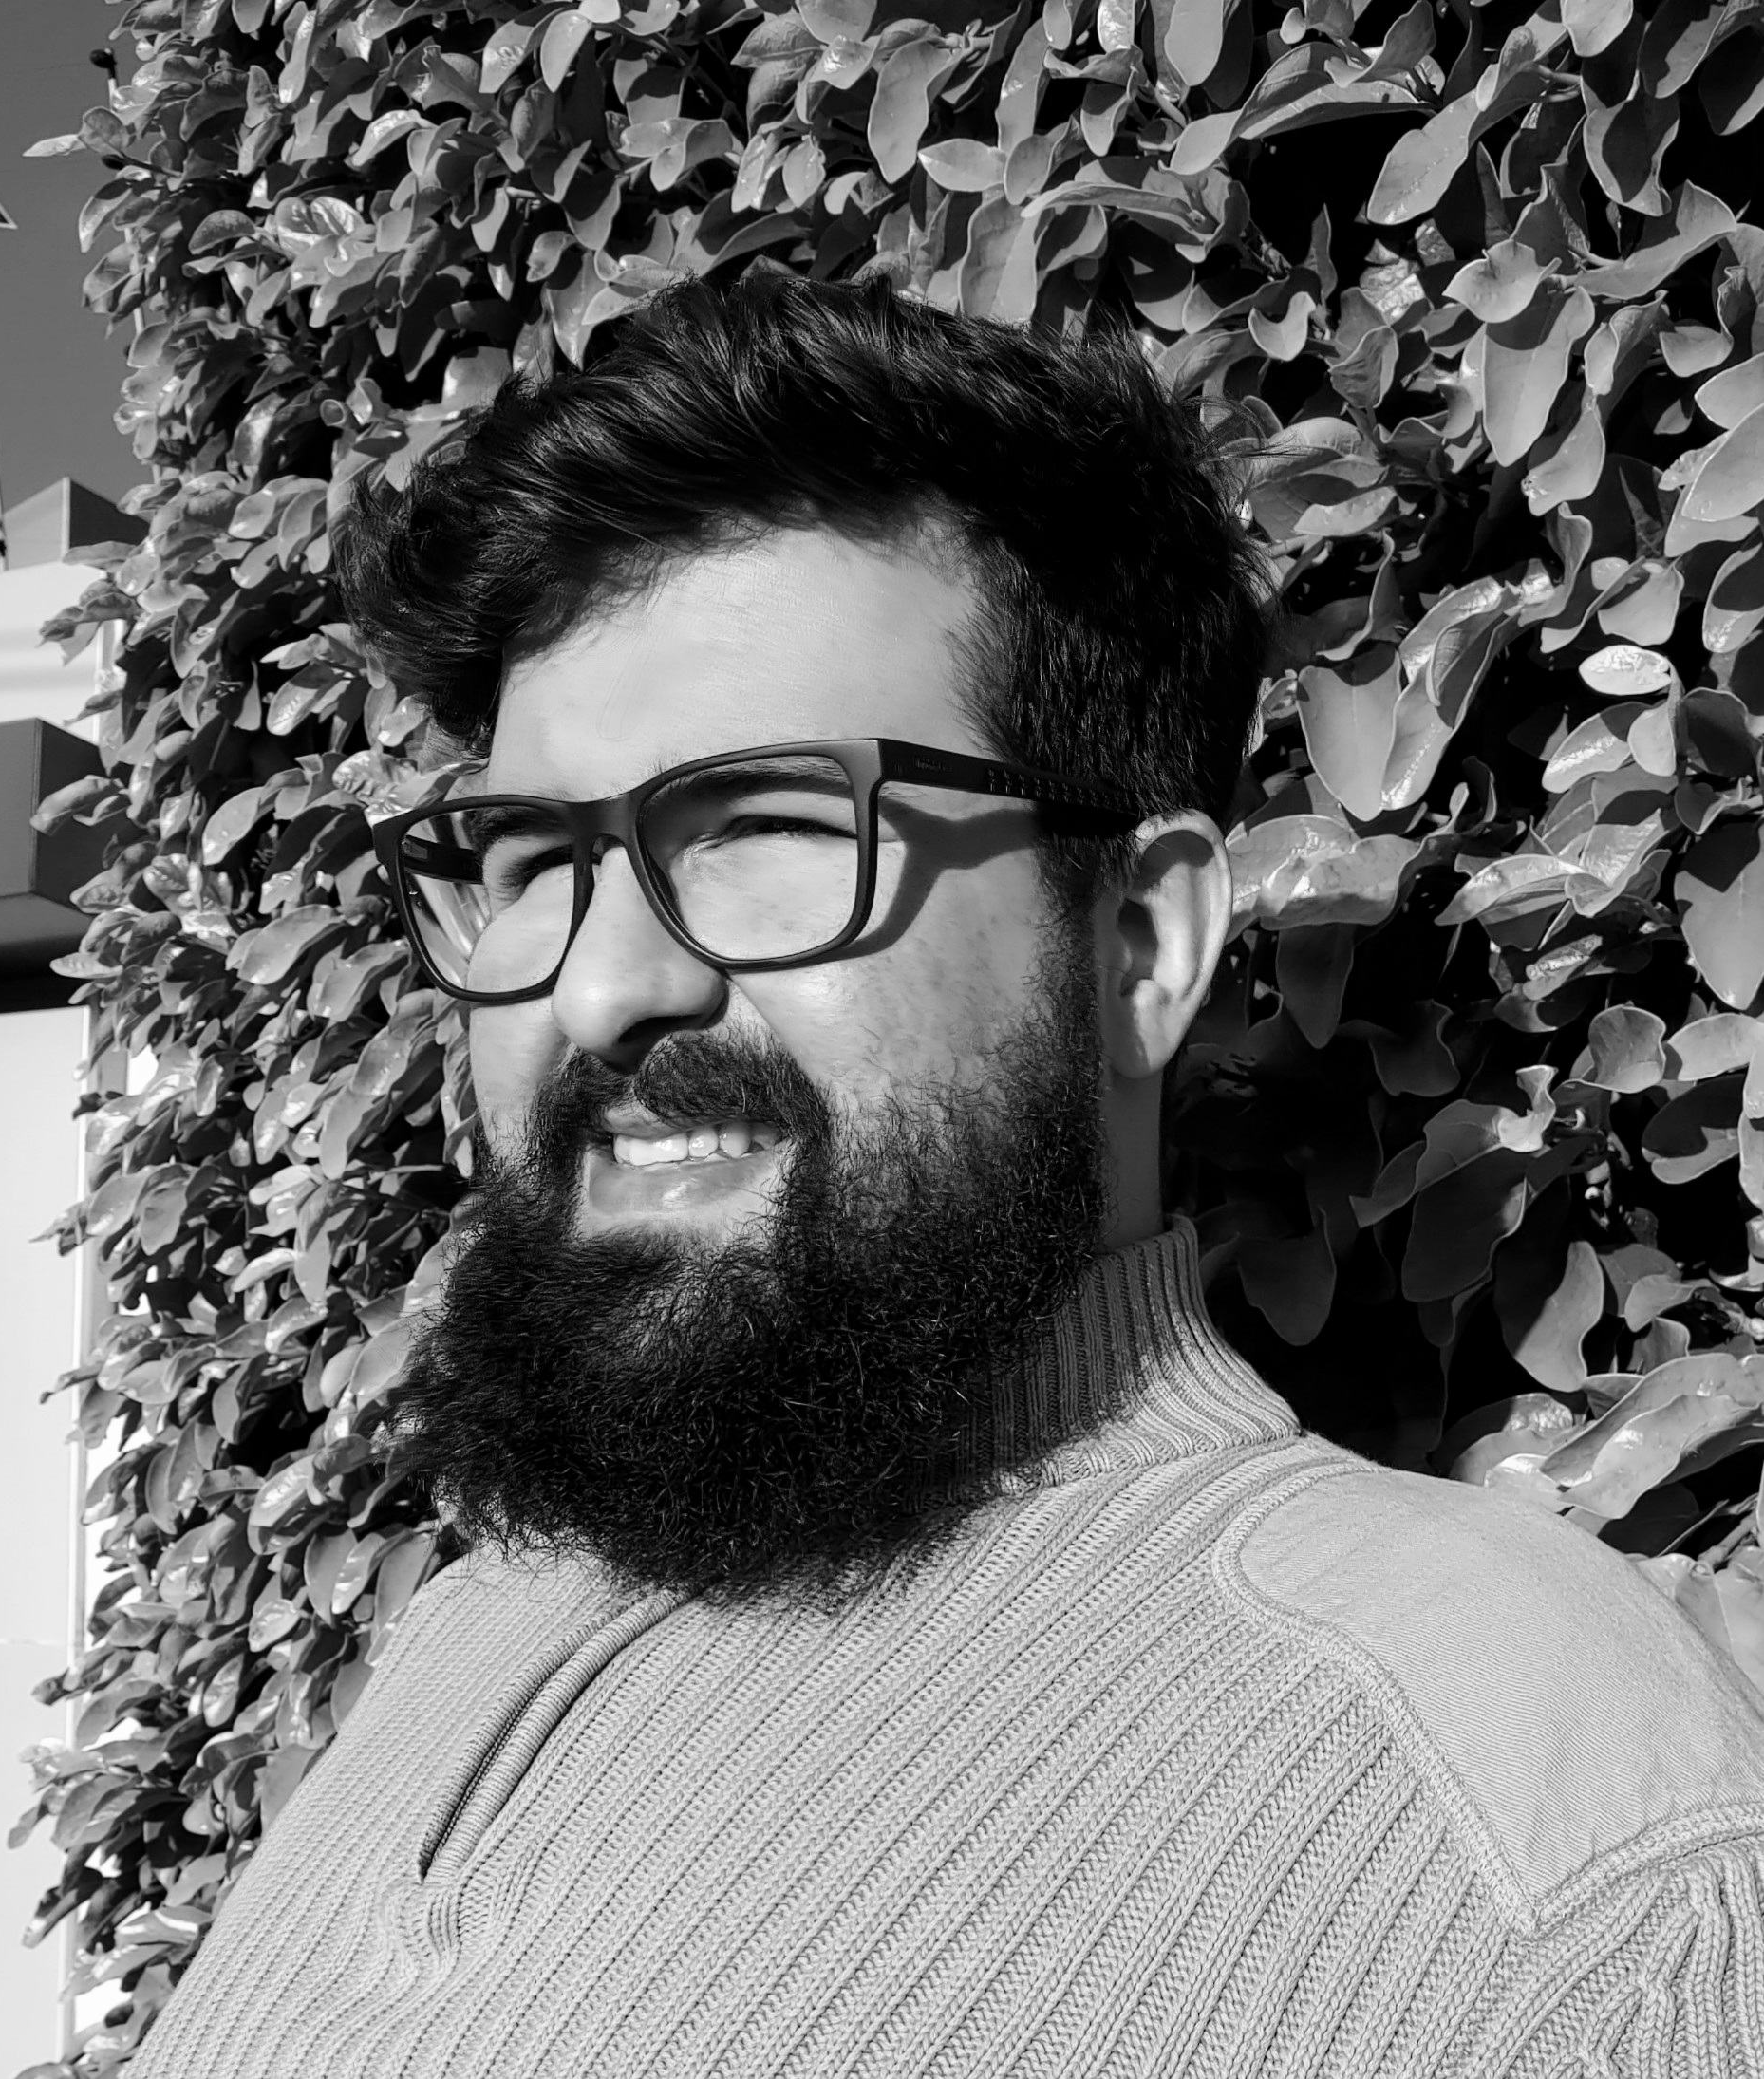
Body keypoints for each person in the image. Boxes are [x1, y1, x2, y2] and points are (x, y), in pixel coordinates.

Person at [129, 274, 1764, 2079]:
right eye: (528, 858)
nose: (597, 987)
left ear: (1142, 945)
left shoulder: (1553, 1842)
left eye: (759, 828)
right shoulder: (488, 1602)